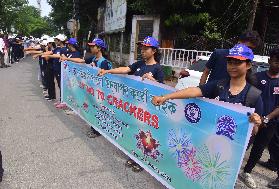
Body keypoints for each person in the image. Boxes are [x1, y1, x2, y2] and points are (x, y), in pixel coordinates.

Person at [152, 44, 263, 145]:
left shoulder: (254, 95)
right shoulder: (219, 85)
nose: (232, 66)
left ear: (248, 65)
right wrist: (166, 97)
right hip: (209, 141)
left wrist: (255, 123)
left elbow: (254, 132)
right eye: (230, 62)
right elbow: (193, 91)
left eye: (237, 63)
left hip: (232, 149)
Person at [99, 36, 164, 172]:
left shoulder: (158, 69)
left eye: (146, 48)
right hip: (135, 107)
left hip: (149, 111)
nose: (143, 50)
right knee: (136, 131)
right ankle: (135, 156)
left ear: (154, 51)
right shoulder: (139, 64)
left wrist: (153, 80)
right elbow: (125, 69)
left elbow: (163, 91)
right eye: (142, 48)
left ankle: (143, 160)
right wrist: (108, 71)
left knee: (147, 136)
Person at [239, 48, 279, 189]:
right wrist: (254, 117)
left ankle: (247, 172)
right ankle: (231, 167)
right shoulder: (257, 77)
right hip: (250, 120)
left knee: (258, 149)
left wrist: (266, 119)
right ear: (270, 61)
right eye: (277, 62)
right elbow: (246, 97)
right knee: (242, 145)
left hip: (270, 122)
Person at [61, 38, 112, 137]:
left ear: (99, 48)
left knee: (99, 110)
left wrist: (95, 69)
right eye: (91, 46)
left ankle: (98, 131)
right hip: (93, 90)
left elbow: (105, 79)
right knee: (94, 108)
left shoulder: (104, 62)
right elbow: (81, 61)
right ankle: (94, 128)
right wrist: (67, 59)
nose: (91, 48)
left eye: (93, 46)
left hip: (100, 92)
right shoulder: (93, 58)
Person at [41, 34, 68, 101]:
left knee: (61, 85)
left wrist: (47, 55)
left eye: (56, 40)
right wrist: (41, 54)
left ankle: (63, 100)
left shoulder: (64, 49)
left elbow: (57, 56)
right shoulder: (57, 48)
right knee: (57, 84)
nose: (55, 41)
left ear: (60, 41)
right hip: (55, 68)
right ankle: (59, 99)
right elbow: (51, 53)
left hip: (60, 69)